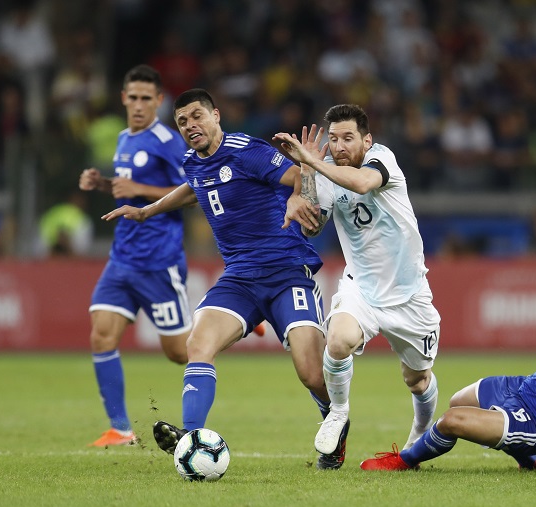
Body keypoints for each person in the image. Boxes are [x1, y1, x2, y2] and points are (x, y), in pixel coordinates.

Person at [101, 89, 340, 469]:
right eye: (182, 121)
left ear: (215, 115)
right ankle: (190, 437)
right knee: (199, 344)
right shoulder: (193, 162)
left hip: (286, 271)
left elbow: (298, 174)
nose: (190, 126)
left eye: (197, 116)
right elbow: (192, 189)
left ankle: (335, 418)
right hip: (241, 278)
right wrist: (149, 211)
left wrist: (299, 196)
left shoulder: (247, 149)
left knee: (311, 373)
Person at [359, 265, 536, 477]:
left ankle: (403, 462)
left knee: (451, 421)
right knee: (458, 402)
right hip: (524, 388)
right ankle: (528, 460)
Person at [273, 104, 441, 460]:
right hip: (361, 286)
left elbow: (363, 183)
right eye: (332, 139)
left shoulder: (382, 160)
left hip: (408, 294)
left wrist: (314, 163)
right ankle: (338, 411)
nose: (339, 146)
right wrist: (304, 176)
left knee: (418, 379)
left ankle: (422, 432)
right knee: (338, 341)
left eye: (348, 138)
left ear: (366, 139)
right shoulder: (326, 171)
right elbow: (313, 226)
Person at [79, 64, 191, 447]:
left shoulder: (169, 141)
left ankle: (234, 318)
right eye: (133, 97)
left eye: (148, 98)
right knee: (100, 335)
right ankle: (121, 429)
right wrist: (104, 184)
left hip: (159, 261)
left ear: (159, 101)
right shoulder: (125, 138)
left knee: (179, 353)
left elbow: (192, 190)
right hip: (122, 258)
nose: (139, 105)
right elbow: (128, 190)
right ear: (123, 98)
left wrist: (138, 188)